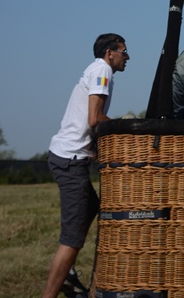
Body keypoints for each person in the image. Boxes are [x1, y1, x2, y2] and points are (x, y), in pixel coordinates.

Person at [41, 34, 130, 298]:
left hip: (66, 157)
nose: (127, 57)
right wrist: (123, 126)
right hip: (70, 161)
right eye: (124, 51)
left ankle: (67, 273)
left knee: (91, 207)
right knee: (72, 238)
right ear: (109, 53)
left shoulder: (97, 70)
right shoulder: (102, 70)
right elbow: (94, 118)